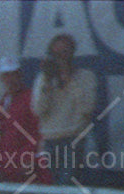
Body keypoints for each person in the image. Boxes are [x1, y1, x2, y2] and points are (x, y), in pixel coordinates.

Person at [32, 33, 96, 184]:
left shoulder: (85, 76)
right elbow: (38, 110)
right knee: (55, 186)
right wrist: (47, 82)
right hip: (50, 139)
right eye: (56, 54)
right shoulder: (43, 78)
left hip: (73, 137)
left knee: (67, 185)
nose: (60, 58)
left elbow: (88, 108)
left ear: (72, 54)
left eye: (64, 53)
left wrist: (68, 79)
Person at [0, 58, 49, 184]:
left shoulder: (32, 98)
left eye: (14, 74)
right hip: (9, 169)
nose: (10, 79)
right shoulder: (2, 104)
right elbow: (1, 138)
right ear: (2, 78)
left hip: (30, 169)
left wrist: (30, 159)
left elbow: (39, 132)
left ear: (20, 75)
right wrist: (1, 167)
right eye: (6, 75)